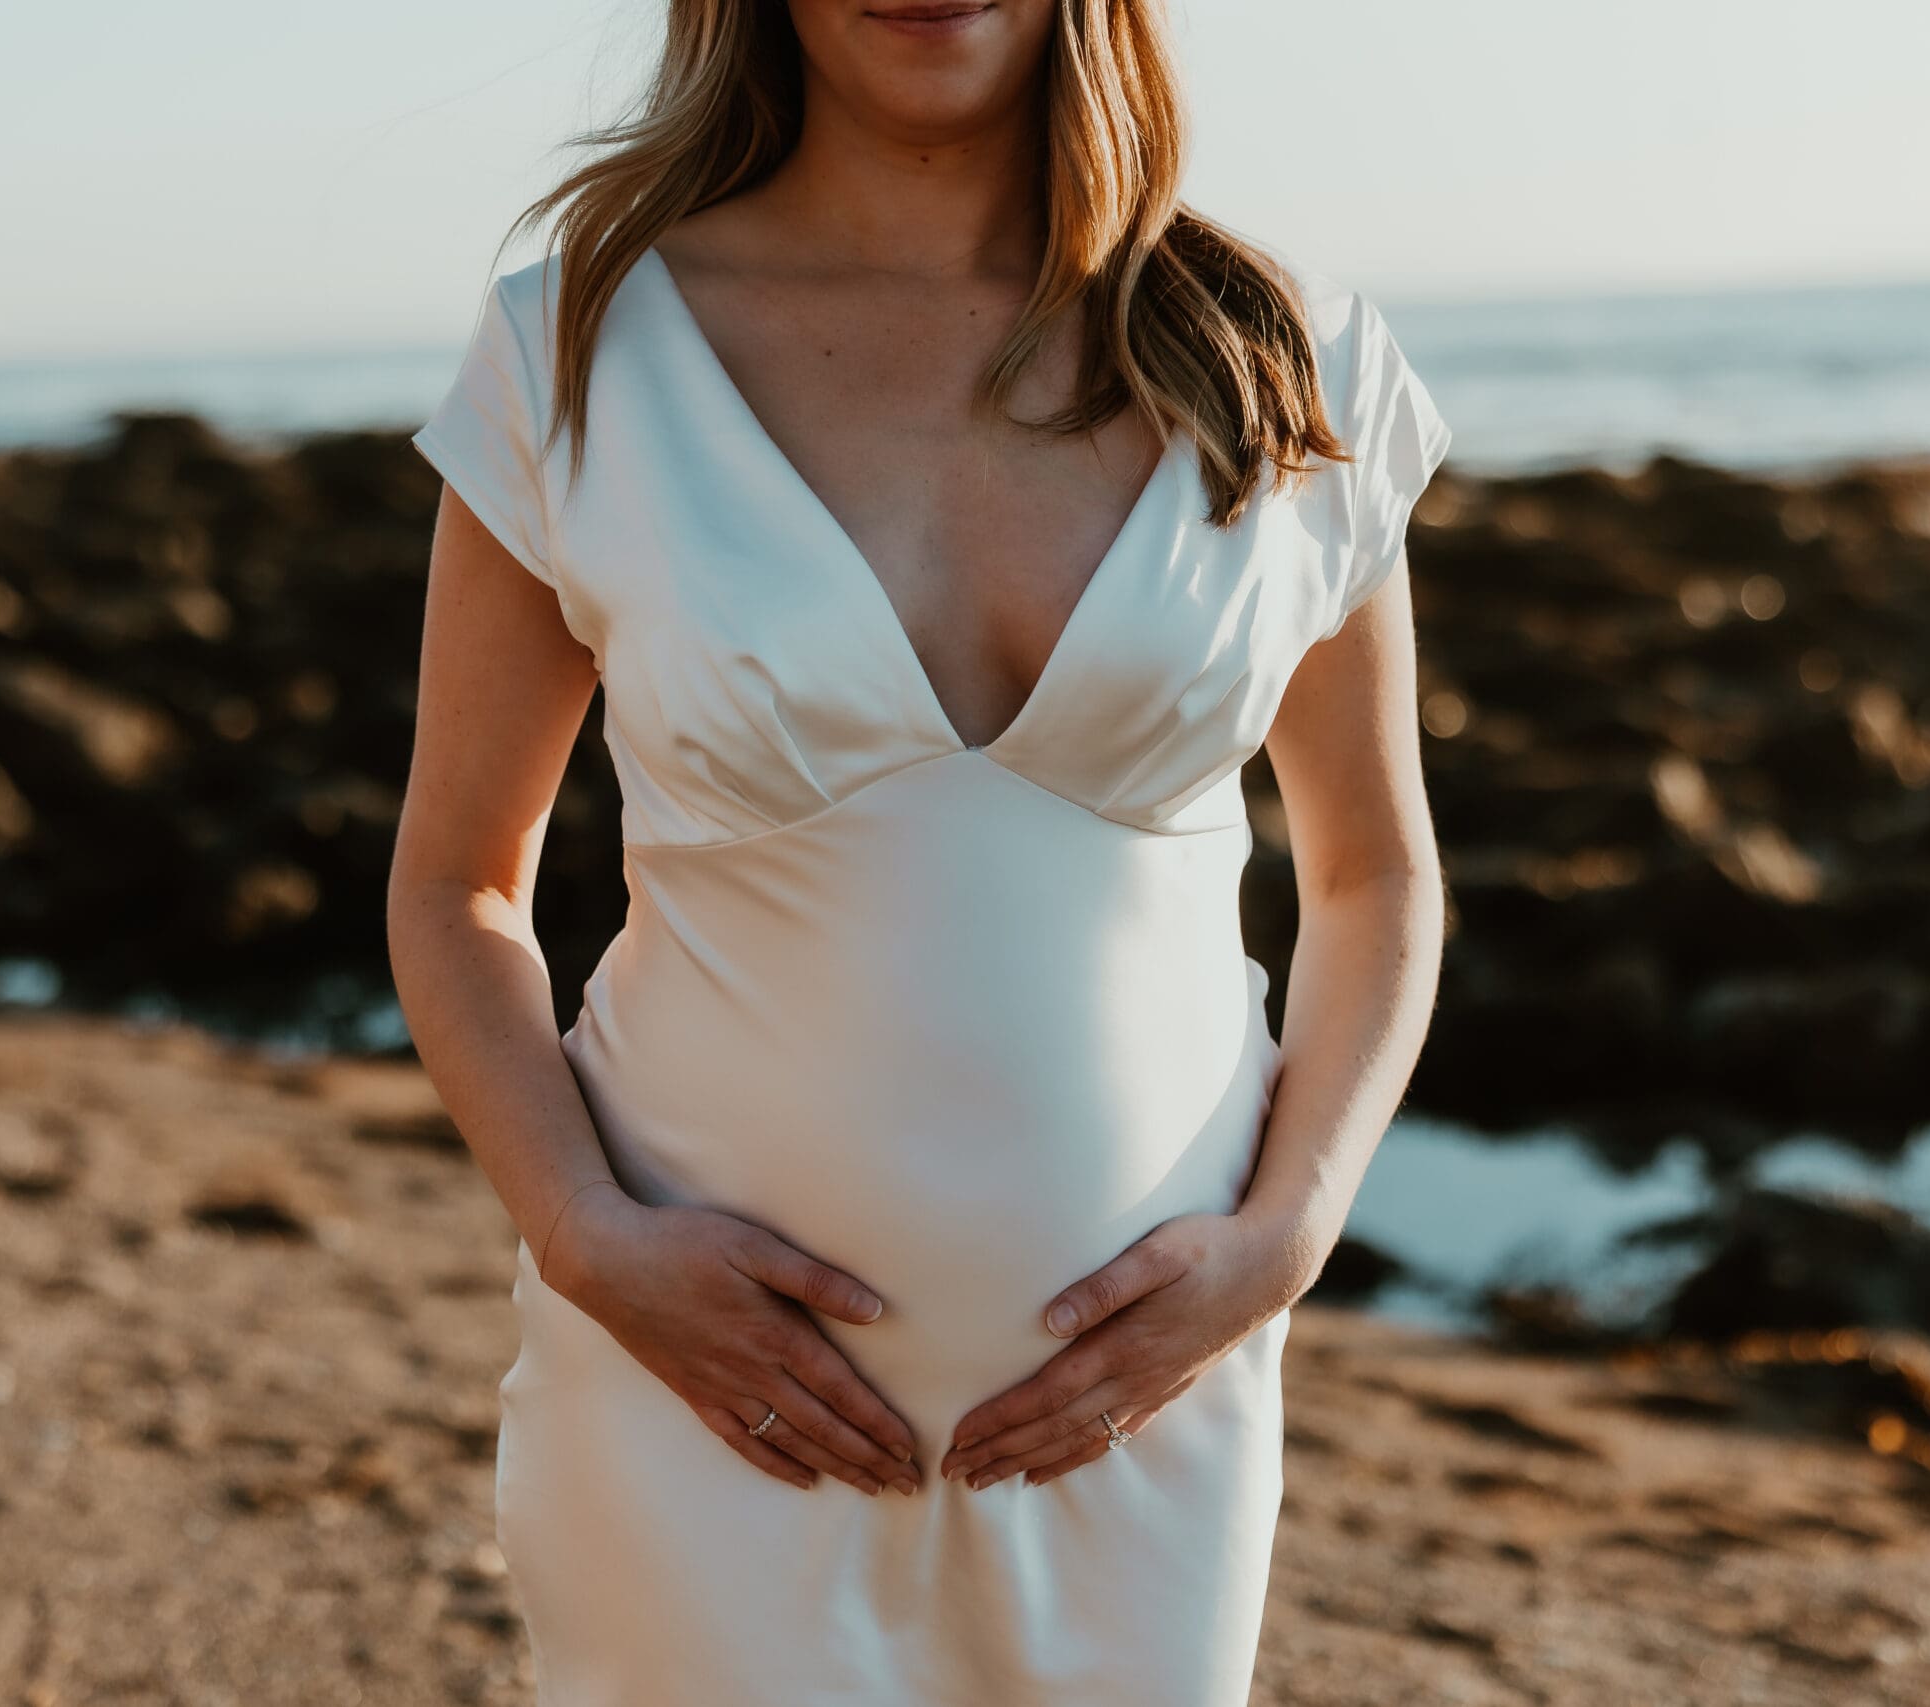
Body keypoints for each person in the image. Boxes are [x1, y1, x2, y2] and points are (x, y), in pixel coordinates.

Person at [385, 1, 1452, 1699]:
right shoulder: (580, 349)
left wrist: (1286, 1239)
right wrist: (587, 1234)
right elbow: (457, 882)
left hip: (1137, 1412)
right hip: (703, 1395)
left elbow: (1378, 873)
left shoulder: (1277, 353)